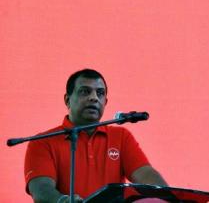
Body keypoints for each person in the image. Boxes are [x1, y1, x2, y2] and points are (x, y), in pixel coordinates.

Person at [24, 69, 167, 203]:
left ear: (105, 102)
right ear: (67, 100)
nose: (94, 98)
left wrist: (170, 197)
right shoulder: (42, 142)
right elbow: (41, 189)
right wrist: (63, 200)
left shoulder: (121, 137)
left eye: (100, 93)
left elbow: (146, 175)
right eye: (85, 92)